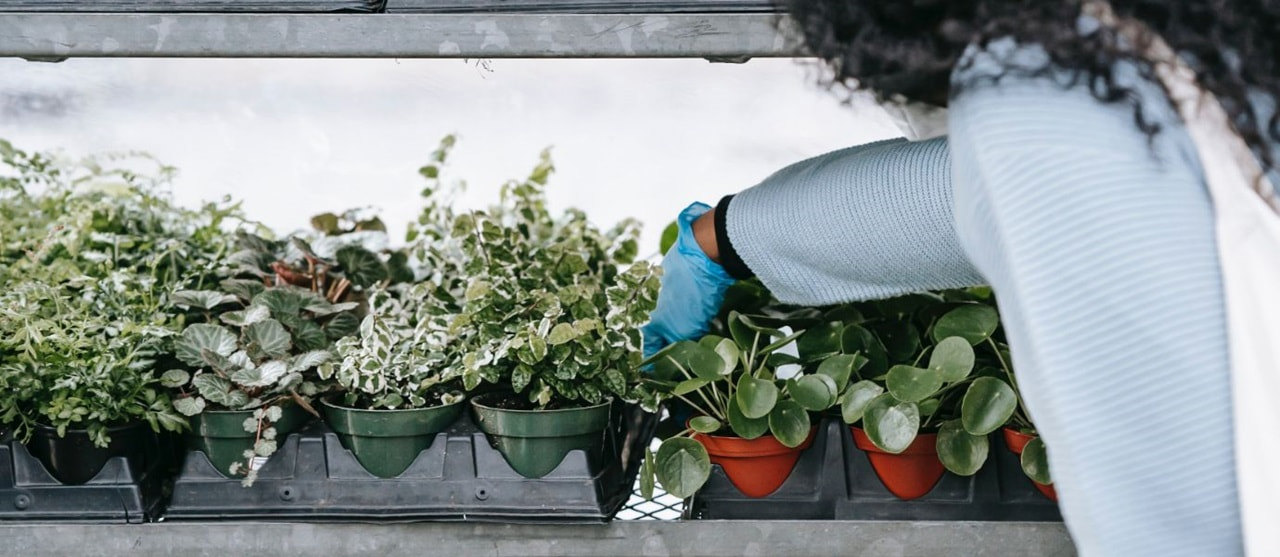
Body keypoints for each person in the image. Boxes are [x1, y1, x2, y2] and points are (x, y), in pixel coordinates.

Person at [642, 2, 1280, 555]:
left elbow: (1172, 521)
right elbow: (947, 198)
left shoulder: (1047, 98)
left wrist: (723, 239)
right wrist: (728, 235)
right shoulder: (1180, 45)